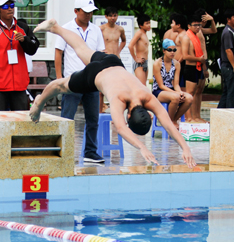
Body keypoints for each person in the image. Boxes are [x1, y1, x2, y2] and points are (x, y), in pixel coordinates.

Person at [30, 19, 196, 168]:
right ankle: (39, 102)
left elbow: (167, 123)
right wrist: (142, 147)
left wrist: (186, 147)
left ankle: (56, 27)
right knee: (60, 85)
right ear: (128, 116)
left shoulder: (147, 96)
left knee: (81, 48)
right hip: (96, 74)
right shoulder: (120, 99)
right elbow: (121, 128)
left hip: (114, 62)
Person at [55, 0, 105, 164]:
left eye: (91, 12)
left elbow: (100, 54)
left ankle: (90, 152)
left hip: (91, 80)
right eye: (85, 12)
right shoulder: (66, 29)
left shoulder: (96, 30)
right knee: (67, 118)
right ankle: (63, 151)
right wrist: (59, 78)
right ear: (76, 11)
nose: (89, 15)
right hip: (72, 80)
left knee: (93, 118)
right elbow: (58, 52)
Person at [152, 39, 193, 129]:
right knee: (175, 97)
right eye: (169, 50)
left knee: (189, 98)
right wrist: (175, 93)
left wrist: (179, 92)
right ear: (164, 51)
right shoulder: (157, 64)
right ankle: (170, 122)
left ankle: (173, 120)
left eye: (174, 50)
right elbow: (161, 85)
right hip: (159, 91)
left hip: (171, 90)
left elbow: (176, 84)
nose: (172, 52)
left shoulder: (177, 64)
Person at [99, 6, 126, 112]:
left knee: (118, 87)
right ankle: (100, 111)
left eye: (115, 15)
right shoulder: (101, 29)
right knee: (101, 89)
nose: (113, 18)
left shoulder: (120, 29)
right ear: (106, 16)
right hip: (105, 59)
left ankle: (117, 112)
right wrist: (100, 51)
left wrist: (118, 51)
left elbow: (123, 41)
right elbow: (95, 41)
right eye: (110, 16)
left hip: (116, 60)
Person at [182, 14, 207, 120]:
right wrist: (199, 60)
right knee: (189, 94)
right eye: (195, 25)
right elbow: (185, 56)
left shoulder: (196, 36)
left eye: (199, 25)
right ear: (189, 26)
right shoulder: (186, 38)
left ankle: (195, 116)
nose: (198, 27)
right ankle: (188, 117)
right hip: (190, 67)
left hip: (197, 67)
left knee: (196, 92)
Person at [218, 8, 234, 109]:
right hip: (228, 65)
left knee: (227, 91)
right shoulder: (228, 32)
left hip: (228, 66)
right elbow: (228, 50)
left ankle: (219, 114)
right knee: (233, 92)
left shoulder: (232, 31)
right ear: (228, 19)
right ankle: (230, 114)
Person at [128, 14, 151, 85]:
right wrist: (135, 58)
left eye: (149, 23)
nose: (149, 25)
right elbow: (130, 46)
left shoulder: (145, 34)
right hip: (139, 63)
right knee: (142, 86)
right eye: (146, 23)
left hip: (145, 62)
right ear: (141, 25)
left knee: (144, 86)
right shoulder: (139, 33)